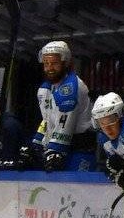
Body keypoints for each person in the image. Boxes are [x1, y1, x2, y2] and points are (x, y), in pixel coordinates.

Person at [17, 40, 92, 172]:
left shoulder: (71, 87)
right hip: (57, 147)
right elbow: (47, 121)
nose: (49, 68)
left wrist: (53, 151)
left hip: (79, 150)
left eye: (54, 63)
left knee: (72, 185)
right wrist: (35, 145)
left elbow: (65, 125)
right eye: (46, 63)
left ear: (65, 63)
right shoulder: (45, 89)